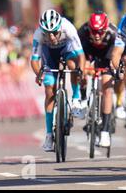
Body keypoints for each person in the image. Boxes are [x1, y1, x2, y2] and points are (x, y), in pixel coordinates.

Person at [30, 9, 85, 152]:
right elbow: (35, 60)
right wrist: (38, 74)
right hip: (49, 56)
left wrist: (82, 71)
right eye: (48, 33)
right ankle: (49, 135)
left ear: (59, 27)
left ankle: (76, 98)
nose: (52, 36)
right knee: (49, 90)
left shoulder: (69, 28)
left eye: (54, 32)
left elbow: (81, 55)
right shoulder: (38, 35)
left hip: (67, 50)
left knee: (73, 66)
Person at [77, 10, 117, 147]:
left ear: (106, 28)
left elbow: (117, 55)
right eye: (94, 31)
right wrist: (83, 67)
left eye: (100, 32)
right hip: (88, 51)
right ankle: (83, 99)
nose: (97, 35)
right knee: (82, 71)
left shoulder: (113, 33)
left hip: (107, 53)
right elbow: (78, 53)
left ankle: (105, 131)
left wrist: (115, 67)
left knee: (107, 87)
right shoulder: (82, 31)